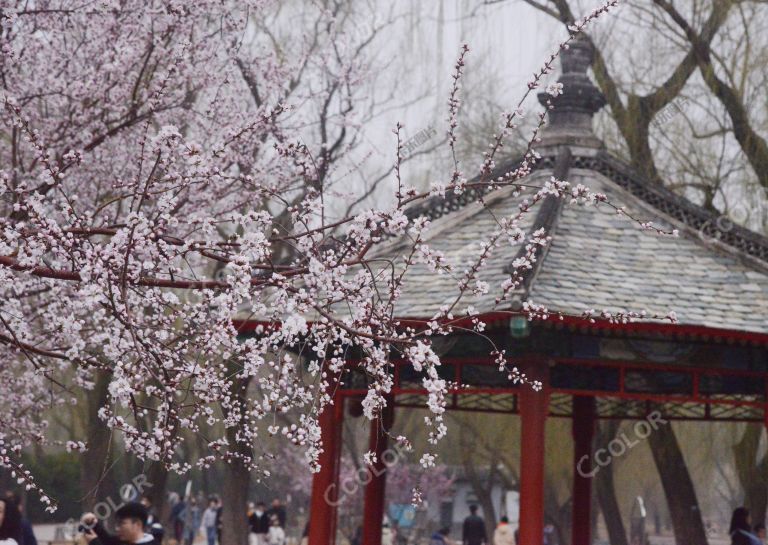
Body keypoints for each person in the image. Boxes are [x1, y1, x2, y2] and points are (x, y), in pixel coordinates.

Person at [80, 502, 160, 545]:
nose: (117, 528)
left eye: (122, 523)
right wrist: (94, 523)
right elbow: (108, 541)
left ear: (137, 524)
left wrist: (94, 542)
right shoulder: (126, 540)